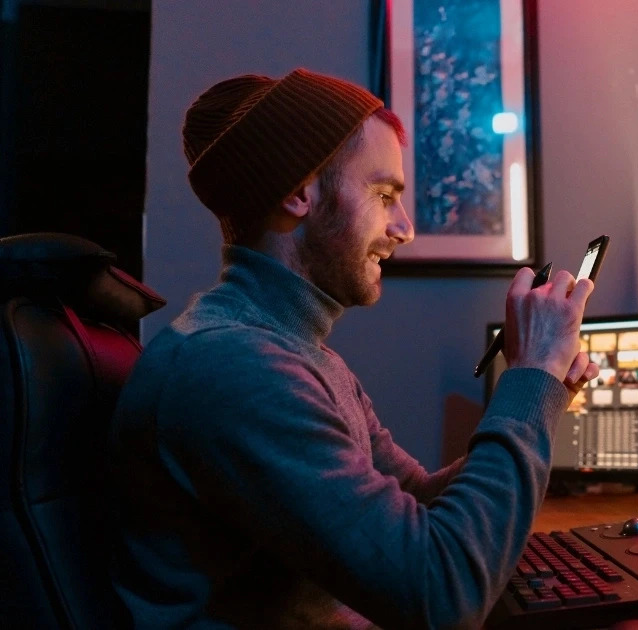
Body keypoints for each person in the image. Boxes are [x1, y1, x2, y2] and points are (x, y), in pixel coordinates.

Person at [108, 68, 598, 629]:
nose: (405, 228)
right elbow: (442, 594)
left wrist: (541, 396)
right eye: (385, 194)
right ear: (299, 191)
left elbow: (418, 498)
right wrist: (528, 376)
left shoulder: (295, 355)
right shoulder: (234, 367)